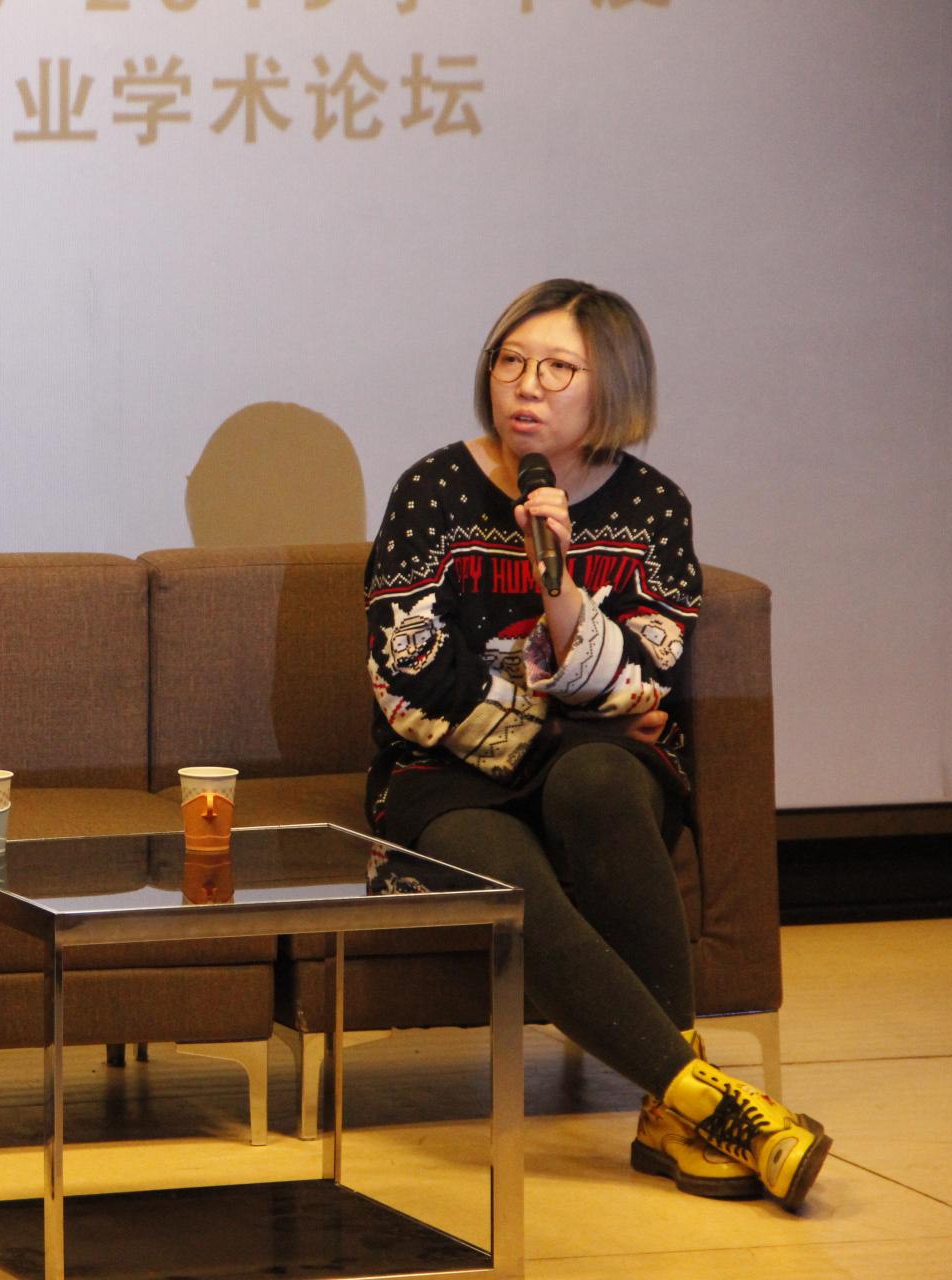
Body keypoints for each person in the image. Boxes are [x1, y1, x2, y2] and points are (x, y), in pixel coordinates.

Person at [363, 279, 831, 1209]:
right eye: (510, 361)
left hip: (597, 770)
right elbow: (409, 676)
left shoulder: (654, 507)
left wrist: (559, 584)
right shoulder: (433, 490)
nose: (525, 386)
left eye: (557, 368)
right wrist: (574, 717)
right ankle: (699, 1103)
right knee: (503, 862)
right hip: (442, 777)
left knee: (598, 784)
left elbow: (647, 678)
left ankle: (674, 1112)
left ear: (610, 384)